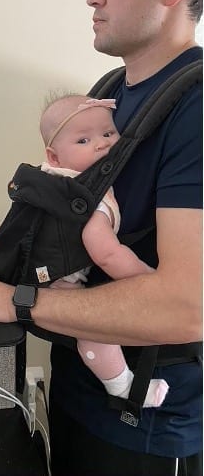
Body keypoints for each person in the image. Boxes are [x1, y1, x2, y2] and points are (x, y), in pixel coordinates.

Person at [0, 0, 202, 476]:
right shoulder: (108, 92)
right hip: (78, 378)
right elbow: (76, 215)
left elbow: (189, 305)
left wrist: (14, 301)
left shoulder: (195, 109)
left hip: (144, 419)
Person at [40, 93, 168, 408]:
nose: (101, 144)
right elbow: (105, 252)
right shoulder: (92, 195)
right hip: (56, 281)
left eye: (108, 134)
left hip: (28, 264)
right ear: (54, 156)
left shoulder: (47, 179)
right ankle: (122, 386)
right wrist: (148, 279)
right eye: (84, 140)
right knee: (96, 328)